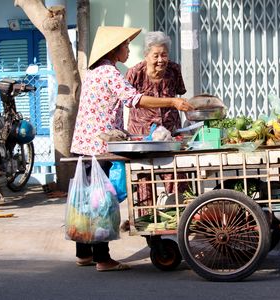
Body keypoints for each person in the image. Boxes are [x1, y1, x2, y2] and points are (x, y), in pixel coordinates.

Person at [70, 26, 193, 272]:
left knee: (87, 200)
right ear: (115, 50)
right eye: (126, 46)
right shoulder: (110, 73)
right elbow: (134, 99)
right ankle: (103, 259)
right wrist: (172, 102)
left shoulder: (94, 71)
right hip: (99, 146)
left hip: (86, 144)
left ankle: (84, 253)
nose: (128, 50)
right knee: (101, 201)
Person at [125, 31, 188, 214]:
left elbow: (180, 92)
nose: (161, 60)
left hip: (170, 132)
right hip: (143, 134)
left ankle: (178, 216)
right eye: (156, 55)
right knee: (145, 177)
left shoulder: (174, 69)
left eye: (164, 54)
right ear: (146, 55)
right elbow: (128, 99)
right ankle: (148, 223)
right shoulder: (135, 73)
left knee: (176, 173)